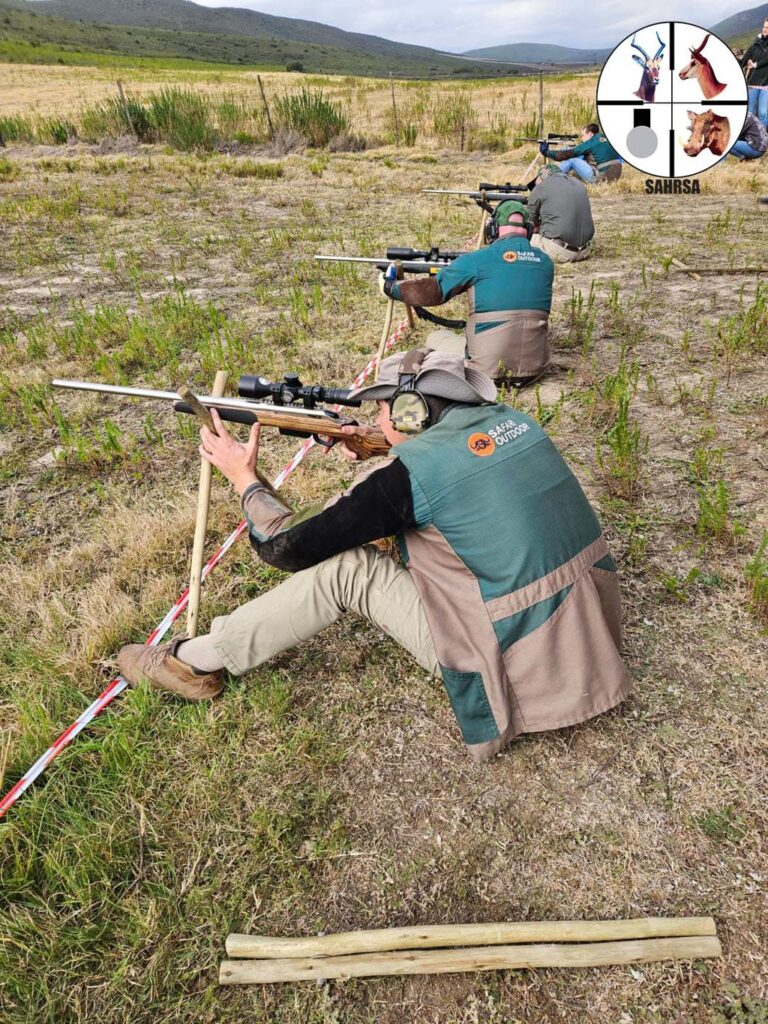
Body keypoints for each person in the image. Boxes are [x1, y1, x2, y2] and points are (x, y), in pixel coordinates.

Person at [117, 349, 632, 764]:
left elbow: (286, 546)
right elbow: (461, 481)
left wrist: (244, 479)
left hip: (516, 658)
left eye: (385, 408)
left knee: (348, 570)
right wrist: (386, 450)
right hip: (588, 626)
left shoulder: (404, 479)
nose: (378, 418)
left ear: (413, 412)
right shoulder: (513, 422)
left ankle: (192, 662)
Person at [380, 201, 554, 386]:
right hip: (535, 370)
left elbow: (433, 292)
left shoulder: (476, 260)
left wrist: (391, 287)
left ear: (493, 229)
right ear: (529, 230)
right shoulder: (546, 262)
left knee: (436, 337)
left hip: (485, 373)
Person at [527, 164, 595, 263]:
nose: (535, 185)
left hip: (558, 251)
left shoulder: (541, 187)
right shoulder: (578, 183)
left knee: (520, 239)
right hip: (585, 251)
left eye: (536, 182)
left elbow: (529, 225)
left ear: (542, 175)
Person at [541, 123, 622, 183]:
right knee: (579, 156)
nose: (582, 138)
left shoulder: (591, 143)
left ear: (590, 134)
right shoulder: (606, 138)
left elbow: (566, 155)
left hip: (601, 178)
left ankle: (549, 178)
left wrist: (547, 152)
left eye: (583, 135)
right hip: (615, 175)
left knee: (572, 161)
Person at [741, 18, 768, 129]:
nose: (765, 29)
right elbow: (744, 59)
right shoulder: (755, 43)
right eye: (764, 27)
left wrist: (755, 64)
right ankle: (750, 134)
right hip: (753, 83)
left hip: (766, 84)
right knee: (750, 112)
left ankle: (762, 135)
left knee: (763, 113)